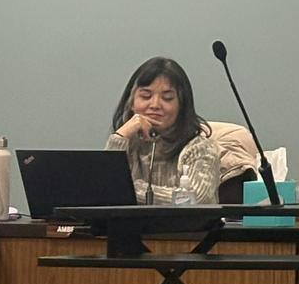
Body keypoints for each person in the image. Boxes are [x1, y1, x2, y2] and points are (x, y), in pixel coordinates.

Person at [105, 55, 262, 204]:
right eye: (145, 96)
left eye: (167, 98)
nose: (155, 105)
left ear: (182, 105)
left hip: (186, 232)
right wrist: (121, 135)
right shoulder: (128, 144)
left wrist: (130, 190)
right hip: (128, 231)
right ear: (131, 102)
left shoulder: (200, 148)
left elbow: (196, 200)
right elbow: (103, 189)